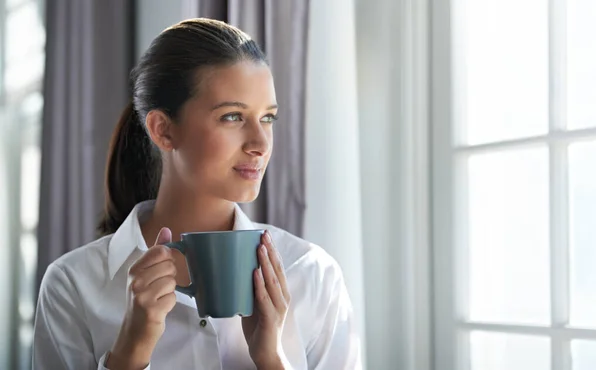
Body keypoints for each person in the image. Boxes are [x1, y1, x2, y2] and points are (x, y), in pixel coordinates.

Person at [32, 18, 360, 370]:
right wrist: (129, 353)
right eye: (233, 117)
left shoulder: (312, 274)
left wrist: (272, 359)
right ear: (163, 130)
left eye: (267, 118)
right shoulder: (72, 285)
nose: (260, 144)